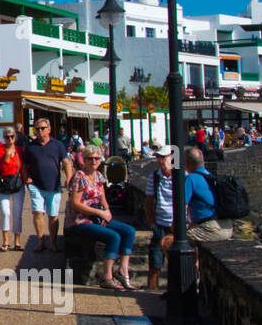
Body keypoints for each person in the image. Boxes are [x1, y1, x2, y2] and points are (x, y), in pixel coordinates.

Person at [64, 145, 136, 290]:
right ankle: (107, 277)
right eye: (90, 158)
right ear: (84, 160)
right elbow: (75, 204)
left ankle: (123, 270)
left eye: (97, 158)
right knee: (113, 237)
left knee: (129, 231)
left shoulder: (98, 176)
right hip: (81, 219)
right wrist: (99, 213)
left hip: (97, 217)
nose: (94, 161)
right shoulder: (80, 177)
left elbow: (102, 198)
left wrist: (107, 212)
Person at [24, 118, 72, 252]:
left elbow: (66, 162)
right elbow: (24, 165)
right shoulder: (31, 146)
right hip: (36, 185)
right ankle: (41, 242)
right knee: (38, 213)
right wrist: (26, 178)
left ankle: (53, 242)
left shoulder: (58, 145)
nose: (40, 131)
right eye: (37, 129)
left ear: (49, 130)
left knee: (53, 216)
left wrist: (68, 178)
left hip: (54, 185)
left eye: (42, 128)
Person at [0, 127, 26, 252]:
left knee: (17, 213)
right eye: (7, 137)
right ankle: (5, 240)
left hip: (17, 183)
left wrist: (26, 180)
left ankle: (17, 240)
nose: (9, 139)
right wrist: (8, 152)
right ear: (3, 138)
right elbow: (4, 162)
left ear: (15, 137)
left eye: (12, 136)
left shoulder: (20, 150)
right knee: (5, 212)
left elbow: (23, 167)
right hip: (4, 183)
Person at [144, 146, 175, 291]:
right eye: (159, 157)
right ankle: (152, 290)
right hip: (161, 223)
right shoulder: (154, 177)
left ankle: (174, 291)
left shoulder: (183, 176)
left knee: (178, 261)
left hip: (178, 225)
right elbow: (149, 201)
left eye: (164, 157)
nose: (161, 161)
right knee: (155, 260)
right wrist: (152, 224)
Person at [184, 146, 228, 244]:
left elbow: (182, 206)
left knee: (172, 240)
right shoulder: (210, 176)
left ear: (186, 163)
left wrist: (175, 227)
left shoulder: (191, 178)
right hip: (227, 227)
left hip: (213, 229)